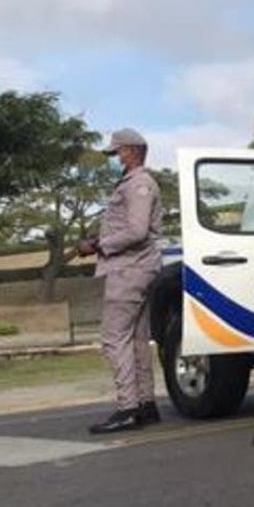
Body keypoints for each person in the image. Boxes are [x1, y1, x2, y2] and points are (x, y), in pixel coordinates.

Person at [77, 129, 164, 434]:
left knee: (114, 339)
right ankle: (146, 405)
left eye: (118, 153)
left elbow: (137, 231)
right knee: (138, 340)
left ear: (132, 151)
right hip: (139, 268)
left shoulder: (138, 183)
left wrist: (100, 245)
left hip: (129, 269)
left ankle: (128, 408)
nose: (116, 158)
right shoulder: (136, 182)